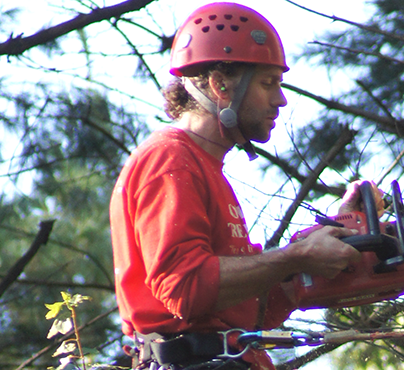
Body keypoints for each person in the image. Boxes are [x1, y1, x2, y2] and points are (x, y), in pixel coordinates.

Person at [109, 3, 378, 369]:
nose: (280, 99)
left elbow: (251, 308)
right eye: (268, 83)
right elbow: (183, 288)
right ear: (220, 85)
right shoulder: (169, 159)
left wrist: (338, 235)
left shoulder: (205, 168)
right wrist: (295, 257)